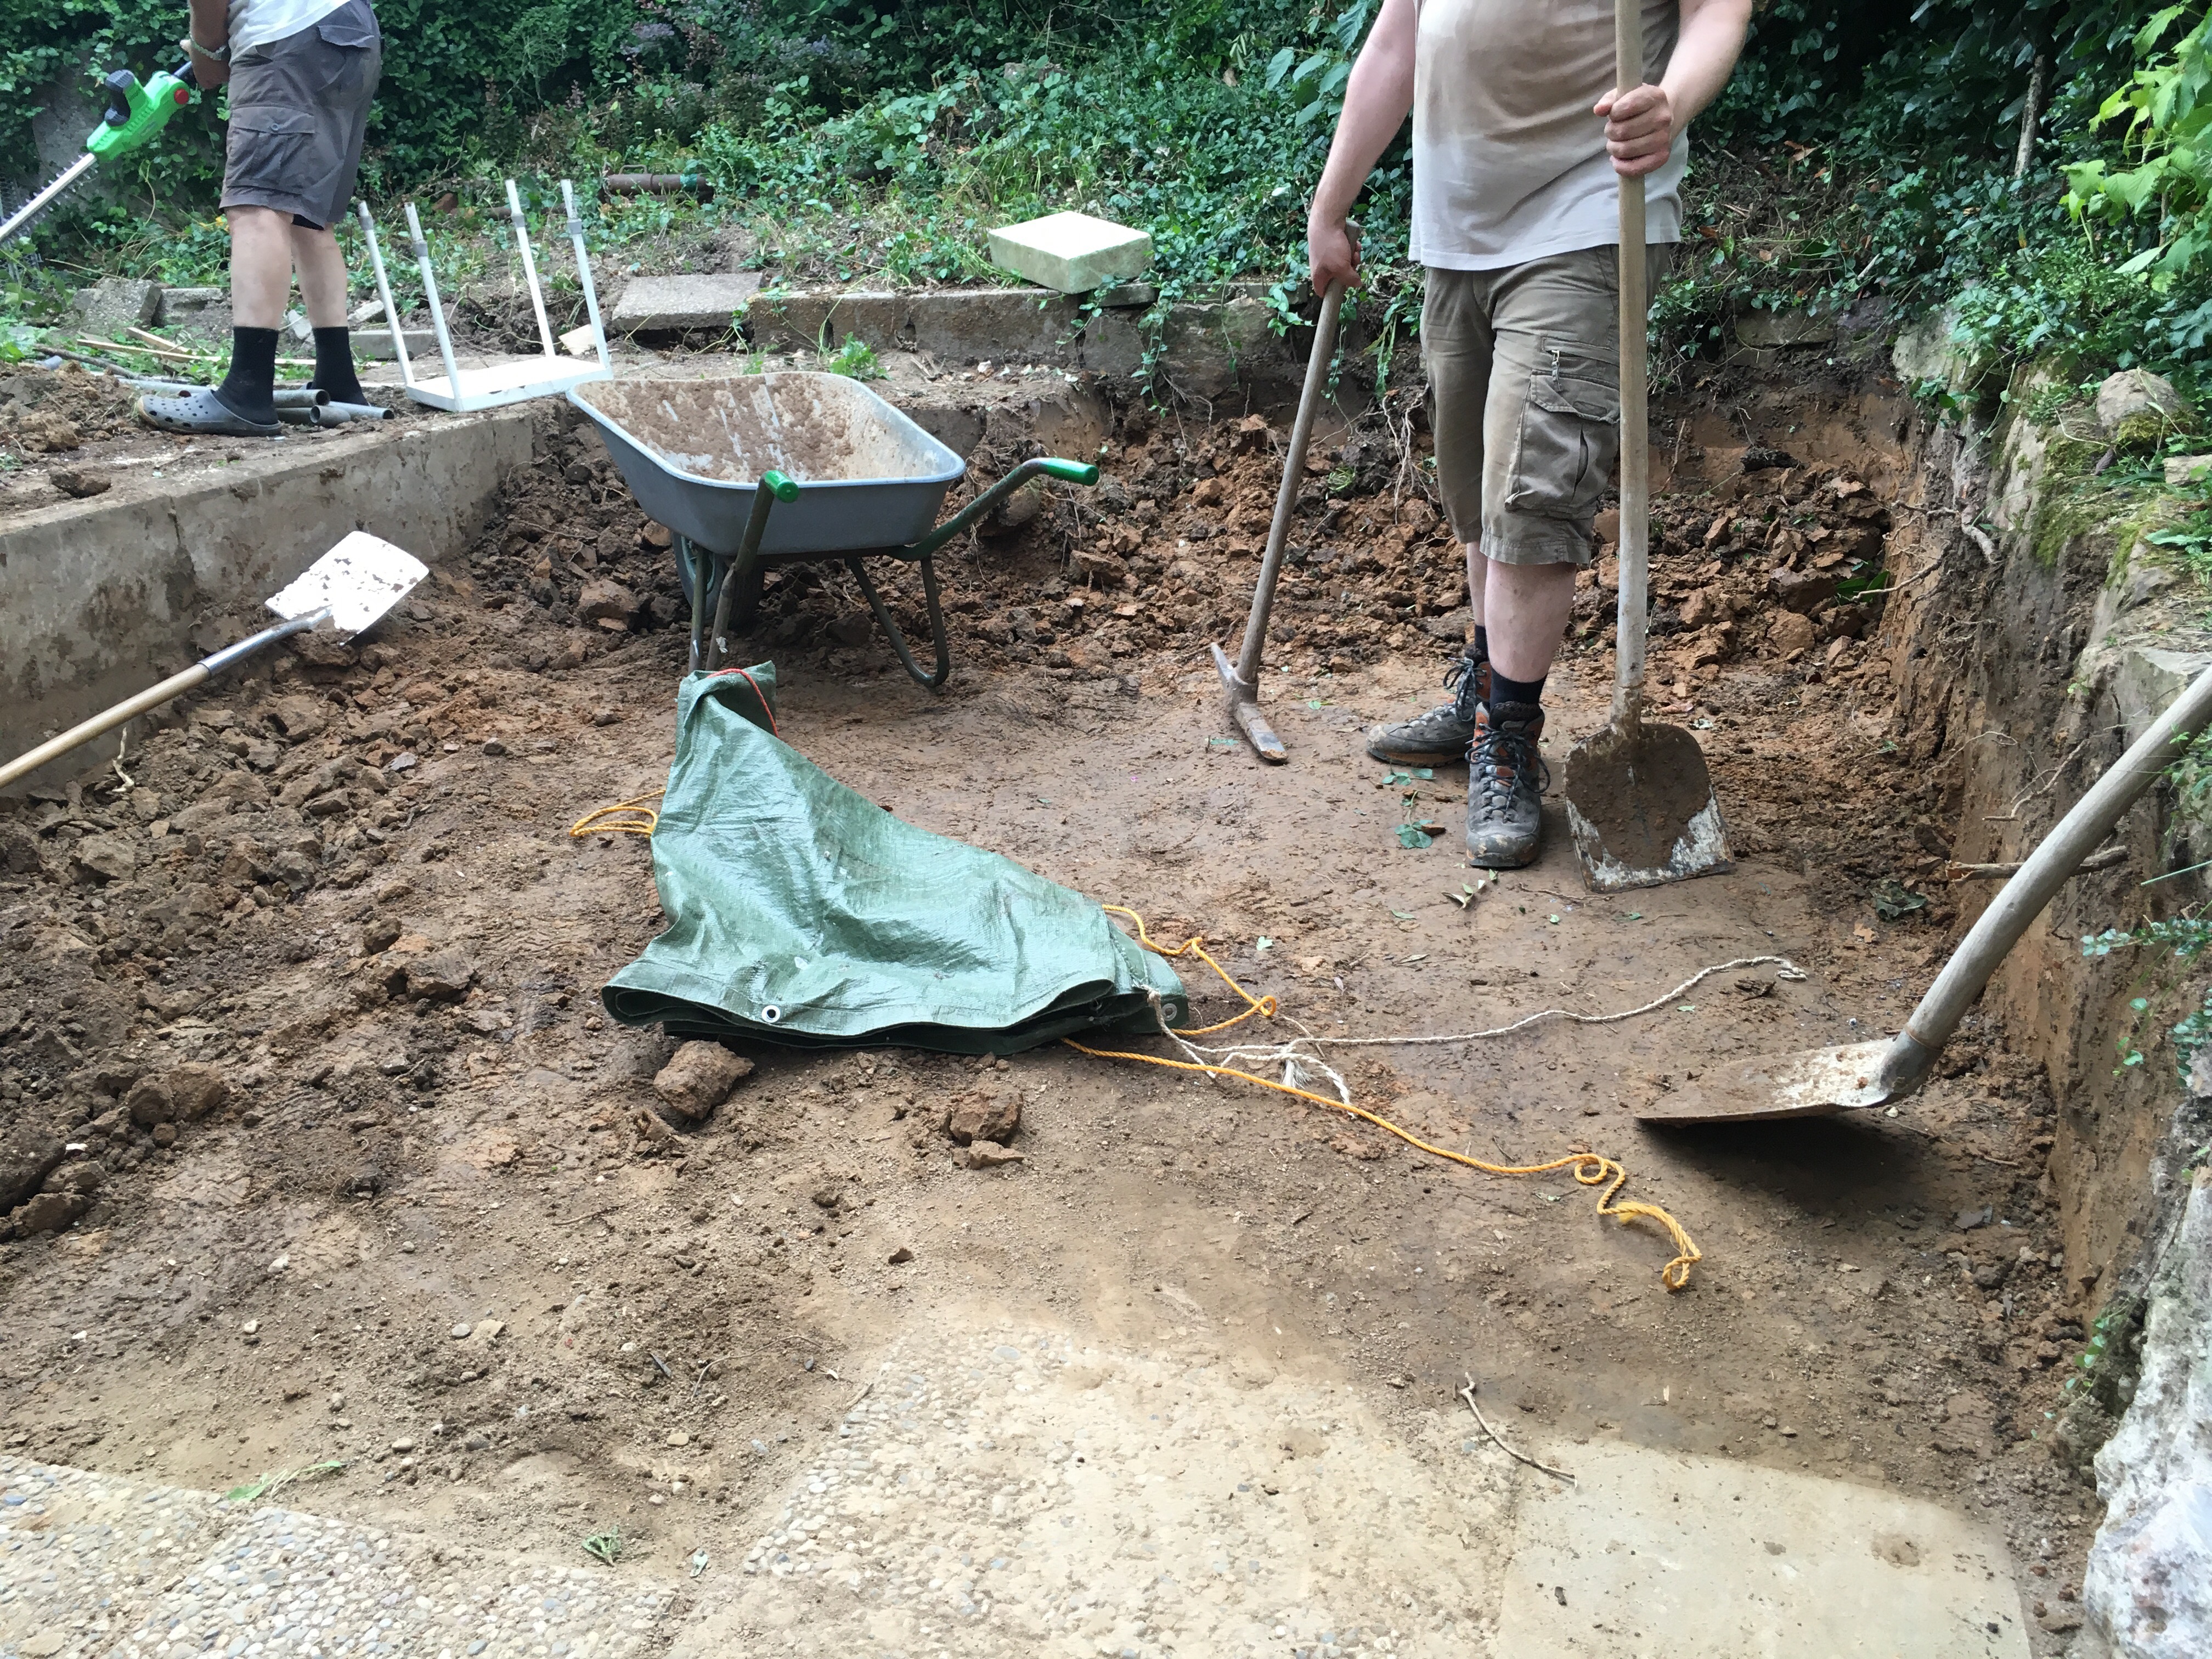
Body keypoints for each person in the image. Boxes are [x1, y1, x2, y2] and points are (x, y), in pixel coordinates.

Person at [1310, 0, 1751, 866]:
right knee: (1478, 490)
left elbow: (1718, 10)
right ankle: (1485, 693)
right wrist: (1331, 204)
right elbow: (1397, 40)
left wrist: (1669, 100)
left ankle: (1508, 735)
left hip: (1588, 212)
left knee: (1532, 488)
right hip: (1458, 231)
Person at [140, 0, 382, 437]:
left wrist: (205, 51)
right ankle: (339, 382)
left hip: (284, 36)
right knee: (309, 218)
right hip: (350, 29)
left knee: (257, 206)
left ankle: (247, 393)